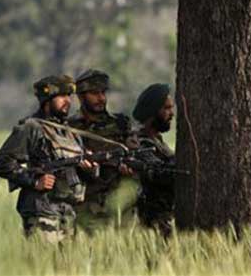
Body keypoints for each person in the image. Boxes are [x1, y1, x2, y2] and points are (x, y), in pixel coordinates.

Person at [0, 75, 96, 242]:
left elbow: (82, 172)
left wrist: (90, 169)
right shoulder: (32, 127)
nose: (68, 101)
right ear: (47, 100)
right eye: (62, 96)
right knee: (43, 264)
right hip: (42, 212)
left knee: (70, 267)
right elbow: (2, 162)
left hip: (68, 213)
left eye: (69, 96)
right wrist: (35, 181)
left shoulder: (69, 132)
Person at [68, 69, 138, 230]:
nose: (101, 98)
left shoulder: (121, 123)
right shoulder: (70, 128)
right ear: (81, 96)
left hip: (122, 205)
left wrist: (130, 166)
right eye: (94, 93)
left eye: (103, 92)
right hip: (87, 208)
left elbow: (135, 150)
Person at [132, 83, 176, 237]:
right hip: (152, 223)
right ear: (152, 112)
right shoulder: (138, 141)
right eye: (167, 108)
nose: (172, 114)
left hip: (166, 219)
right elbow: (158, 173)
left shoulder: (157, 140)